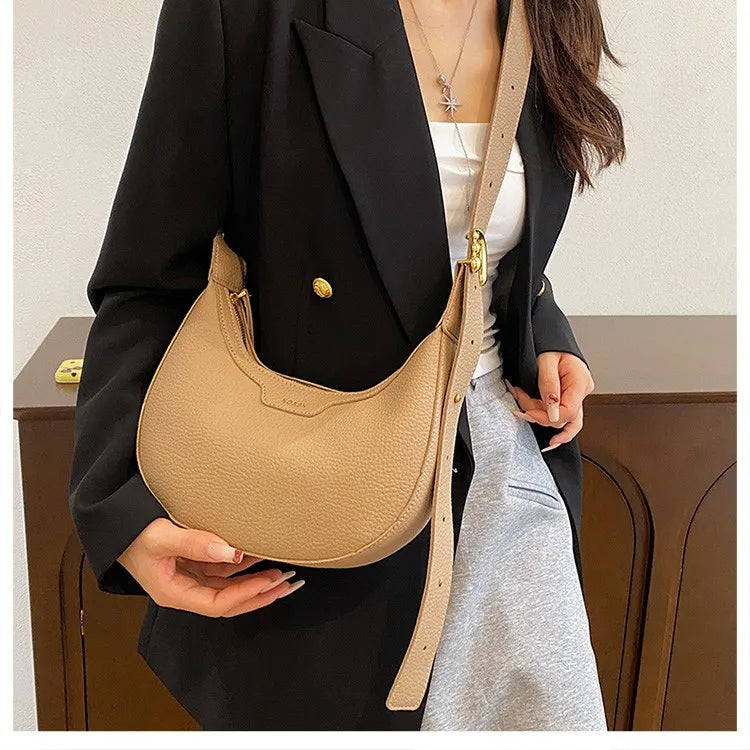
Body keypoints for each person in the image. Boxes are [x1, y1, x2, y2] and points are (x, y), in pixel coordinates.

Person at [69, 0, 625, 731]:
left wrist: (542, 328)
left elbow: (486, 242)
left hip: (501, 470)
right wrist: (120, 507)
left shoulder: (553, 13)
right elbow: (146, 280)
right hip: (316, 494)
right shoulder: (245, 13)